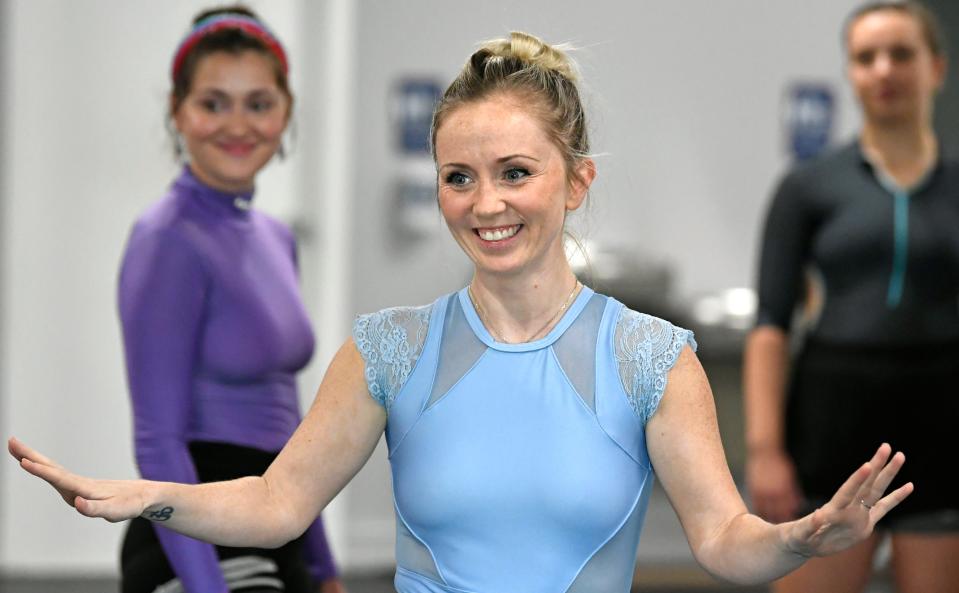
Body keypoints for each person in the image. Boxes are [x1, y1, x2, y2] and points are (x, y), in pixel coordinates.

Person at [11, 31, 912, 593]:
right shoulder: (388, 350)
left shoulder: (650, 357)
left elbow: (722, 542)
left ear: (576, 180)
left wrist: (798, 540)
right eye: (459, 176)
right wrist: (151, 499)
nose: (486, 203)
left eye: (516, 172)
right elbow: (277, 504)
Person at [112, 6, 343, 593]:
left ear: (285, 112)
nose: (237, 124)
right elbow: (157, 440)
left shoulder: (275, 237)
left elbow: (289, 424)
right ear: (178, 111)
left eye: (258, 103)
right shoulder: (167, 237)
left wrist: (322, 566)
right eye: (213, 102)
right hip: (196, 533)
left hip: (275, 520)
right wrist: (205, 585)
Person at [743, 2, 959, 592]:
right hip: (831, 430)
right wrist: (765, 450)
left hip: (945, 433)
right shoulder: (808, 187)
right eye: (867, 57)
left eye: (902, 54)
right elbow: (770, 325)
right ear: (851, 72)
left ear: (936, 68)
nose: (884, 70)